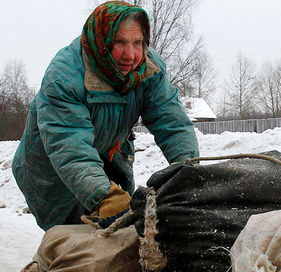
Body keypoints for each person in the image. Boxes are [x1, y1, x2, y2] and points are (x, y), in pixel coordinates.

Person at [12, 1, 199, 231]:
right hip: (55, 168)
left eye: (137, 43)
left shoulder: (149, 68)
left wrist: (189, 171)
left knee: (121, 230)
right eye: (119, 42)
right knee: (72, 237)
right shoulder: (64, 77)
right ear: (101, 40)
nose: (130, 55)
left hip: (110, 155)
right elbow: (70, 146)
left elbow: (172, 122)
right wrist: (104, 196)